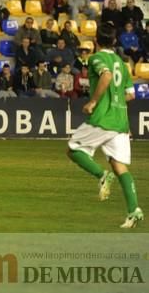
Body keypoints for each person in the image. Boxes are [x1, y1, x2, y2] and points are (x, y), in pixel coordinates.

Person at [67, 23, 142, 228]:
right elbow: (130, 94)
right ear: (115, 41)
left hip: (103, 118)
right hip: (121, 120)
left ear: (96, 41)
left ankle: (101, 175)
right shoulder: (122, 62)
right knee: (119, 166)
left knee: (73, 149)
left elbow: (106, 76)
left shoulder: (96, 58)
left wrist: (93, 101)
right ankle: (134, 210)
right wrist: (115, 101)